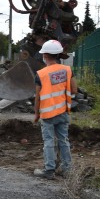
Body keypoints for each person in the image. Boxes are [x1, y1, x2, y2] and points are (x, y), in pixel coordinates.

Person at [33, 40, 77, 180]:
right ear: (58, 55)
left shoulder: (41, 74)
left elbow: (38, 97)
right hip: (63, 112)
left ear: (45, 55)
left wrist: (36, 114)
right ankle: (67, 169)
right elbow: (74, 89)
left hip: (47, 114)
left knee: (49, 141)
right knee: (63, 140)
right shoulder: (67, 70)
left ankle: (49, 170)